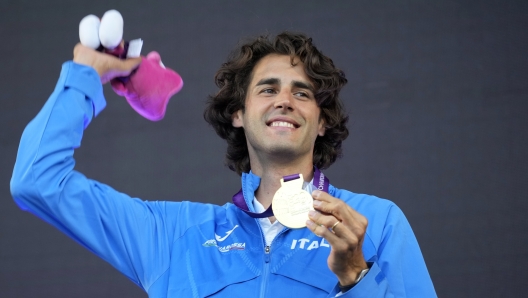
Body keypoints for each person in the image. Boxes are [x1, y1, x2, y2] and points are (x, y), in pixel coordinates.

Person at [10, 32, 437, 297]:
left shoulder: (376, 224)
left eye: (303, 93)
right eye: (268, 89)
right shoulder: (172, 237)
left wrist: (355, 279)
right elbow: (37, 181)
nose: (284, 100)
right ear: (239, 113)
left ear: (322, 121)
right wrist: (86, 74)